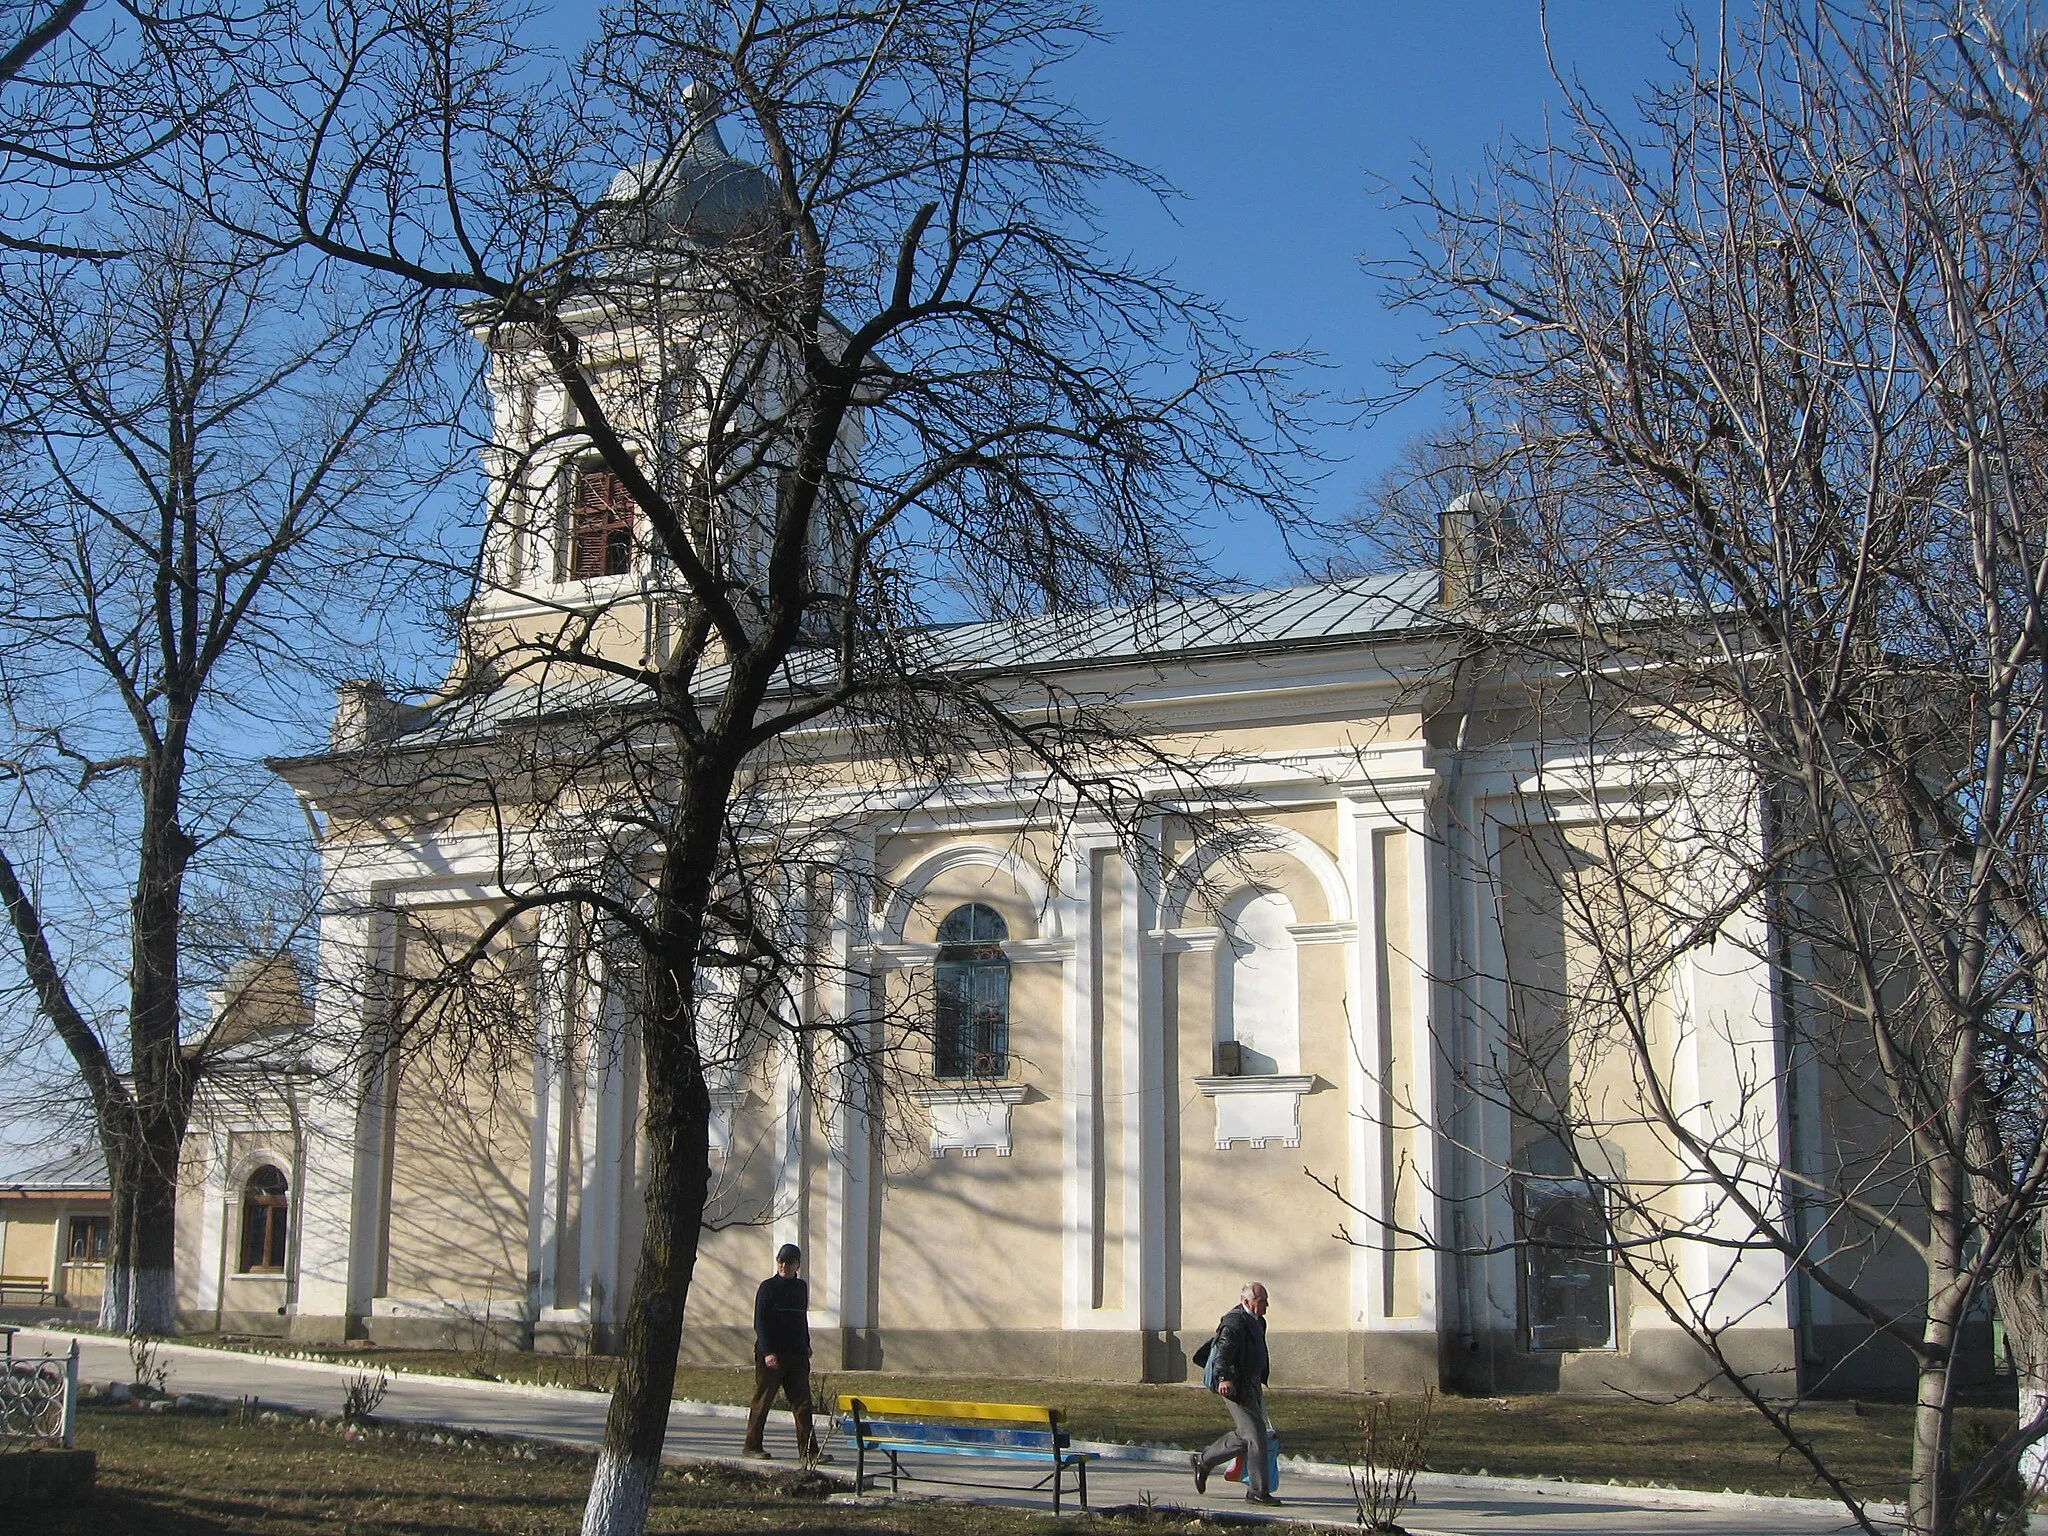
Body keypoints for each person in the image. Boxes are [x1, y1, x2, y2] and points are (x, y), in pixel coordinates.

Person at [1191, 1280, 1279, 1505]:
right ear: (1247, 1301)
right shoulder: (1233, 1322)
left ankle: (1204, 1460)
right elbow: (1223, 1352)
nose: (1266, 1305)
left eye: (1266, 1301)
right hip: (1233, 1387)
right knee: (1257, 1436)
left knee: (1246, 1435)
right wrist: (1223, 1378)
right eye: (1262, 1301)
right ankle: (1258, 1491)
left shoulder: (1258, 1321)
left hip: (1250, 1384)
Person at [742, 1242, 827, 1462]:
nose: (784, 1266)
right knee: (763, 1401)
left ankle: (809, 1452)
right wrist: (768, 1351)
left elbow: (801, 1319)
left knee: (803, 1404)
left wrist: (806, 1344)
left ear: (797, 1264)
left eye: (789, 1263)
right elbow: (760, 1322)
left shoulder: (800, 1288)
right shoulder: (768, 1287)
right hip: (772, 1355)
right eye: (781, 1262)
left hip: (797, 1354)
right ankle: (752, 1446)